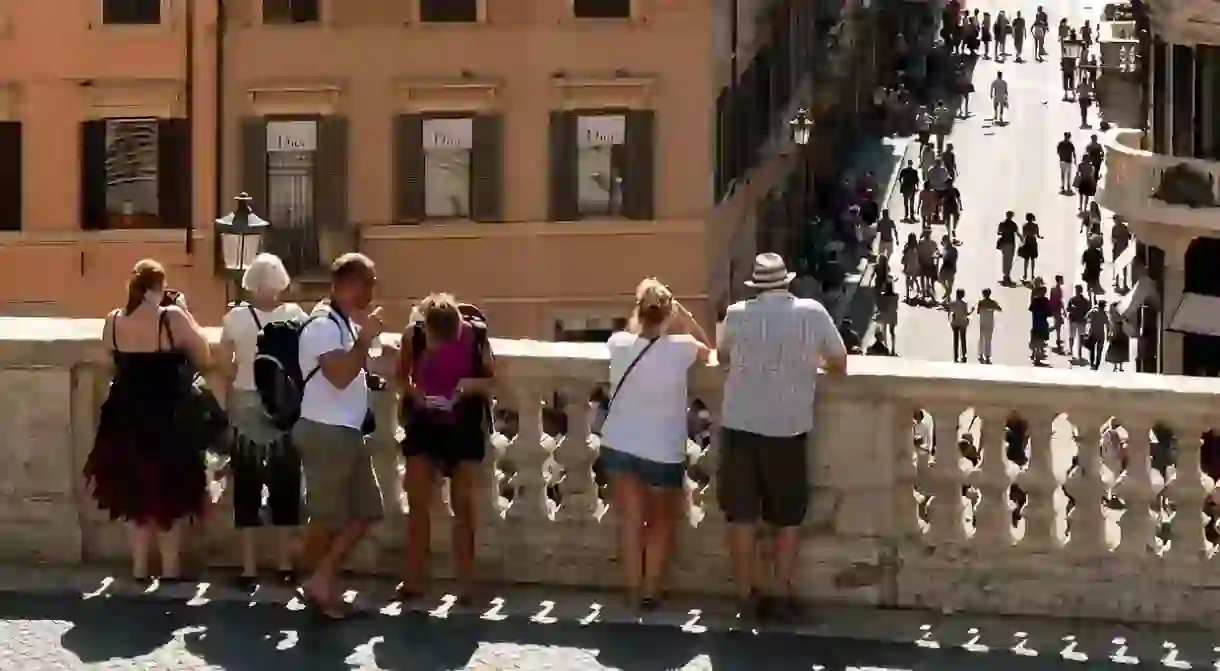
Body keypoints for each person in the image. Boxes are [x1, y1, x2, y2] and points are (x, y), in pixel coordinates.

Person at [718, 253, 847, 622]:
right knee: (787, 519)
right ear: (787, 282)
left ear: (755, 286)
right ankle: (783, 593)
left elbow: (723, 356)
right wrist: (811, 362)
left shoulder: (737, 314)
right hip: (787, 429)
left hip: (739, 426)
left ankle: (746, 595)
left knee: (741, 516)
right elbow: (839, 362)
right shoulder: (812, 313)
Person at [84, 259, 213, 583]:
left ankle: (140, 568)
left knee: (133, 496)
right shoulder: (171, 317)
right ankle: (170, 569)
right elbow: (204, 354)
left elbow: (106, 360)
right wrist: (183, 309)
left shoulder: (113, 320)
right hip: (167, 416)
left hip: (124, 417)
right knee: (171, 494)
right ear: (159, 286)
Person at [598, 279, 712, 610]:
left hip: (619, 443)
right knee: (660, 523)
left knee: (631, 522)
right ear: (668, 312)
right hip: (662, 450)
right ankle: (651, 590)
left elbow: (630, 336)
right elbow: (711, 351)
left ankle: (633, 589)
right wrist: (685, 318)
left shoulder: (618, 343)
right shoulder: (682, 348)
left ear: (638, 310)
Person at [293, 253, 385, 620]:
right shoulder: (322, 326)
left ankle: (319, 577)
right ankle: (316, 580)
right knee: (329, 519)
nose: (374, 291)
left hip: (346, 430)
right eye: (370, 283)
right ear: (350, 284)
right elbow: (340, 375)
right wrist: (364, 342)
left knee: (366, 511)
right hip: (325, 431)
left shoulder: (341, 323)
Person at [215, 253, 307, 588]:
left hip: (245, 401)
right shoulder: (296, 316)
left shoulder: (236, 318)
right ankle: (284, 563)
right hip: (283, 406)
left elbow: (223, 363)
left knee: (247, 485)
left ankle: (249, 568)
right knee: (286, 482)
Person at [397, 293, 496, 604]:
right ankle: (413, 579)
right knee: (417, 500)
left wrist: (468, 385)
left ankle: (466, 583)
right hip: (424, 422)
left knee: (463, 505)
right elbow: (400, 377)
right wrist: (416, 394)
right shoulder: (413, 336)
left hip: (464, 423)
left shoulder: (476, 336)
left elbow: (492, 380)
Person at [976, 289, 1002, 364]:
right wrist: (991, 308)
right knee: (988, 339)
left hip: (983, 321)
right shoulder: (993, 302)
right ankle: (987, 355)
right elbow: (999, 309)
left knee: (981, 338)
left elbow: (978, 312)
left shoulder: (981, 302)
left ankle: (980, 353)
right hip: (990, 321)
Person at [1067, 284, 1092, 360]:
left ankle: (1079, 353)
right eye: (1076, 290)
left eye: (1078, 290)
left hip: (1081, 321)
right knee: (1072, 336)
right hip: (1074, 320)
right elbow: (1068, 309)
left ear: (1081, 291)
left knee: (1081, 337)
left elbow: (1089, 311)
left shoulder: (1085, 301)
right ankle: (1071, 350)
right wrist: (1071, 310)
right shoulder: (1072, 300)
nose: (1077, 292)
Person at [1029, 279, 1051, 364]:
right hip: (1042, 322)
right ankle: (1037, 355)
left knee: (1036, 338)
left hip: (1036, 322)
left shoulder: (1035, 300)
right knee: (1040, 340)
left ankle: (1036, 354)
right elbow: (1049, 312)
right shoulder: (1046, 301)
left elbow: (1030, 309)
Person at [948, 288, 972, 363]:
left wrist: (950, 321)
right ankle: (964, 355)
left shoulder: (952, 303)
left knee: (955, 340)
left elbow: (950, 313)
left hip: (955, 323)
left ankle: (956, 356)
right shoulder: (964, 304)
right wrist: (972, 310)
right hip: (962, 323)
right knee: (963, 340)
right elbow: (966, 314)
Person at [1085, 299, 1109, 370]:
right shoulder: (1104, 313)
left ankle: (1092, 364)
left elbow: (1086, 317)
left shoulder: (1093, 311)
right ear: (1103, 306)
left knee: (1092, 350)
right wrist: (1108, 334)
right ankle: (1097, 365)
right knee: (1099, 351)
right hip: (1101, 334)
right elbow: (1107, 324)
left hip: (1093, 333)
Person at [996, 210, 1020, 285]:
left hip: (1004, 243)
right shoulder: (1013, 224)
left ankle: (1005, 276)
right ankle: (1007, 276)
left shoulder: (1002, 224)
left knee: (1005, 260)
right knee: (1009, 261)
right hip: (1011, 243)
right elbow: (1017, 233)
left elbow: (999, 232)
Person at [917, 229, 940, 302]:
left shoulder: (920, 243)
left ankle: (923, 289)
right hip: (930, 263)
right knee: (929, 275)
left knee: (922, 276)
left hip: (922, 264)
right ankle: (929, 288)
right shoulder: (933, 243)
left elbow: (917, 252)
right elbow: (937, 252)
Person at [1106, 307, 1130, 372]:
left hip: (1116, 334)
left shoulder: (1111, 317)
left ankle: (1116, 367)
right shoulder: (1115, 317)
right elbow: (1125, 321)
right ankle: (1119, 367)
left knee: (1117, 350)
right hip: (1119, 334)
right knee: (1119, 351)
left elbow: (1110, 327)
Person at [1112, 217, 1132, 292]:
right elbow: (1129, 237)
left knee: (1119, 268)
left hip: (1119, 250)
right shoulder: (1125, 228)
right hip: (1122, 250)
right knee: (1123, 268)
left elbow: (1113, 239)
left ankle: (1119, 283)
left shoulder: (1115, 228)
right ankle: (1123, 284)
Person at [1020, 213, 1041, 282]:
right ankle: (1032, 275)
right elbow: (1037, 235)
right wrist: (1040, 237)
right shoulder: (1035, 226)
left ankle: (1025, 274)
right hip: (1033, 242)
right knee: (1033, 259)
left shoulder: (1025, 226)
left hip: (1027, 241)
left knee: (1026, 260)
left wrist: (1021, 243)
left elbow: (1023, 235)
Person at [1082, 237, 1105, 301]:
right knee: (1095, 287)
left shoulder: (1086, 252)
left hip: (1089, 272)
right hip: (1095, 272)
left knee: (1089, 287)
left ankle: (1090, 299)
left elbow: (1083, 262)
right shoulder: (1097, 252)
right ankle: (1094, 300)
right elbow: (1102, 261)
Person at [941, 178, 963, 243]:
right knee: (947, 219)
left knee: (956, 217)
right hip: (949, 206)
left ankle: (952, 229)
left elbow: (958, 198)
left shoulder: (954, 190)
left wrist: (961, 206)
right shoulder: (946, 190)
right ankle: (950, 230)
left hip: (951, 206)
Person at [1049, 274, 1066, 352]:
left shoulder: (1053, 289)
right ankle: (1048, 331)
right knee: (1057, 325)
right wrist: (1064, 310)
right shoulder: (1058, 290)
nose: (1063, 281)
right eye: (1062, 280)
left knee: (1058, 325)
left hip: (1054, 308)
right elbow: (1060, 300)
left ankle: (1058, 339)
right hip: (1057, 309)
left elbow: (1051, 299)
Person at [939, 233, 959, 300]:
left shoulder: (953, 249)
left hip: (950, 266)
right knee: (941, 279)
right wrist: (940, 255)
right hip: (946, 266)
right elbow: (944, 255)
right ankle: (947, 294)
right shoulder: (945, 248)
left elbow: (953, 258)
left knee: (949, 283)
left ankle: (947, 295)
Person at [902, 233, 920, 301]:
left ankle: (907, 295)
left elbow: (904, 254)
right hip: (915, 264)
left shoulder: (907, 247)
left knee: (907, 278)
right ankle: (918, 288)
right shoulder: (917, 246)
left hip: (908, 264)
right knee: (914, 278)